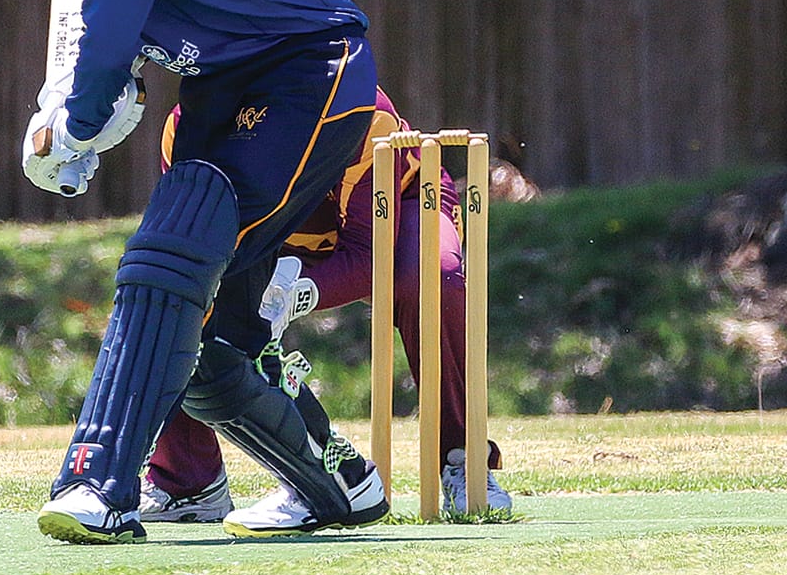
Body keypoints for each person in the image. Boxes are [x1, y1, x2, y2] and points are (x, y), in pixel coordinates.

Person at [0, 0, 387, 541]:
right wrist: (77, 113)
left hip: (309, 72)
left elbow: (111, 39)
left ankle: (100, 482)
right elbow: (104, 53)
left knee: (168, 250)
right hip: (222, 87)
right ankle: (339, 481)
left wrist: (76, 128)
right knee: (216, 350)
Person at [140, 87, 511, 524]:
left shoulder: (358, 114)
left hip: (397, 208)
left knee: (434, 275)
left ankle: (461, 457)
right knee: (176, 291)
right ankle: (188, 482)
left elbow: (370, 254)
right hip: (272, 233)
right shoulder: (189, 126)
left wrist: (295, 293)